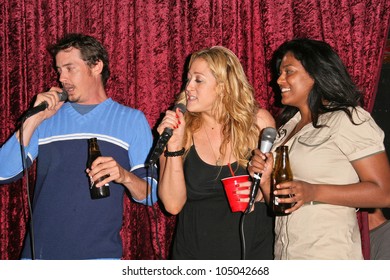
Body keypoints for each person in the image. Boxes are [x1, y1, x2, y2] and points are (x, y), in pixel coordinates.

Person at [0, 33, 157, 260]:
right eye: (59, 70)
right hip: (40, 259)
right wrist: (33, 119)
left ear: (96, 66)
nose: (61, 77)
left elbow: (151, 195)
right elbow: (3, 172)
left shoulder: (131, 120)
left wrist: (124, 176)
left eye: (69, 68)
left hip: (100, 259)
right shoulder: (47, 118)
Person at [248, 38, 390, 259]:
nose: (279, 80)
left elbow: (384, 193)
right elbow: (280, 203)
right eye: (280, 72)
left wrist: (313, 191)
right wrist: (265, 180)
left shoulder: (348, 119)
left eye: (289, 71)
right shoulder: (287, 128)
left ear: (316, 74)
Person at [156, 46, 275, 259]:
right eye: (188, 79)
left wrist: (259, 189)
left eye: (198, 80)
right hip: (194, 256)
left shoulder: (258, 123)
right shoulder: (180, 129)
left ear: (223, 86)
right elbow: (172, 205)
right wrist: (173, 145)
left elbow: (276, 196)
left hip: (252, 253)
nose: (188, 87)